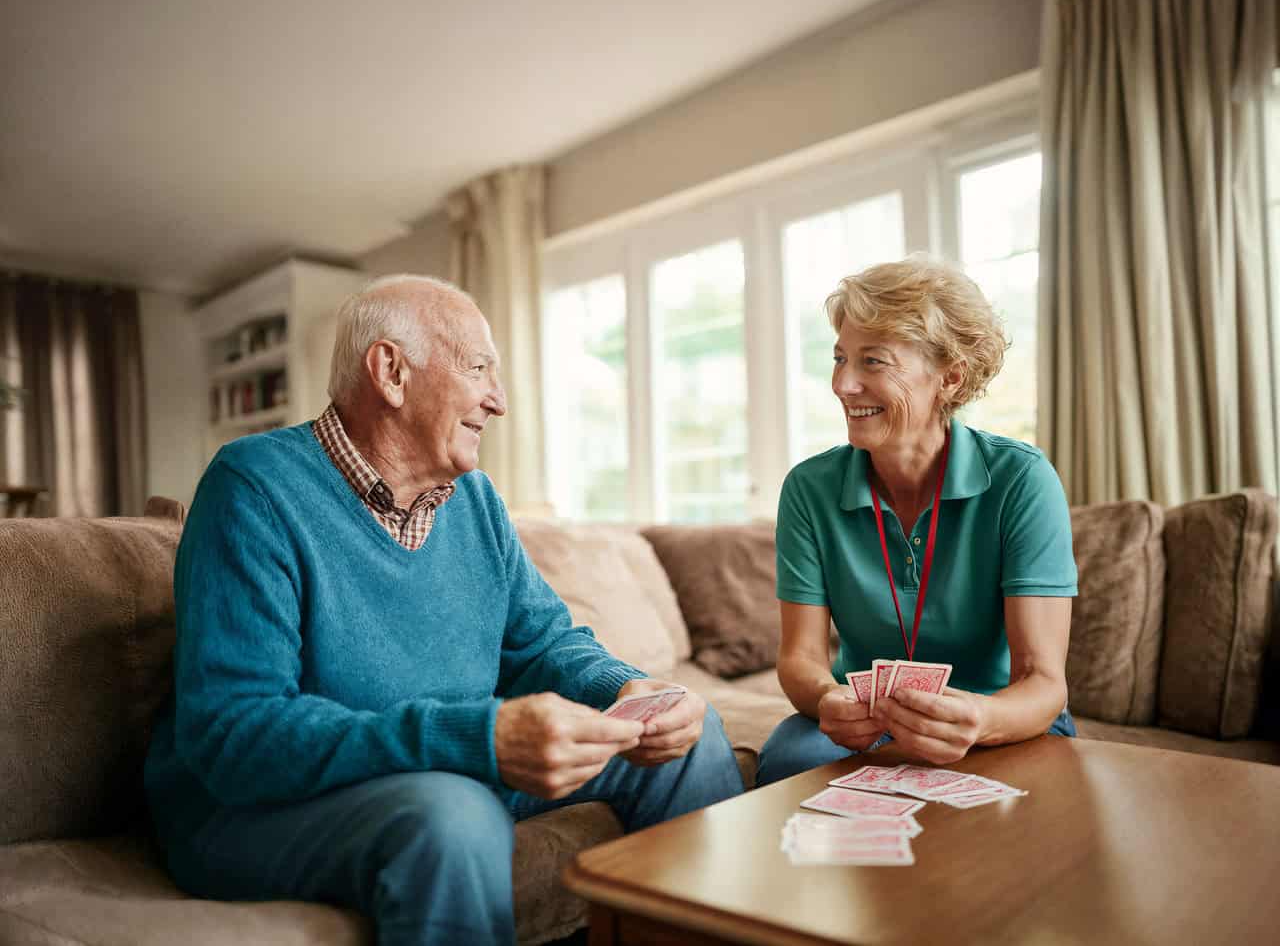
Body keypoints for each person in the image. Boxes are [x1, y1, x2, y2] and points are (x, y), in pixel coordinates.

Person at [144, 274, 743, 945]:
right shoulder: (254, 487)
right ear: (392, 372)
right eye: (479, 367)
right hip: (254, 803)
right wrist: (479, 738)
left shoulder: (475, 501)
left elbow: (544, 644)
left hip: (445, 762)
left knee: (695, 737)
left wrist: (630, 689)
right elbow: (237, 732)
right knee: (455, 815)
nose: (500, 400)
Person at [755, 258, 1077, 787]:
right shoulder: (809, 490)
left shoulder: (1021, 480)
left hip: (999, 720)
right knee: (787, 768)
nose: (843, 384)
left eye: (872, 362)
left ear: (949, 376)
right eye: (840, 359)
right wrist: (827, 698)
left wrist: (980, 719)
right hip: (865, 723)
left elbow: (1041, 683)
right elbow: (801, 658)